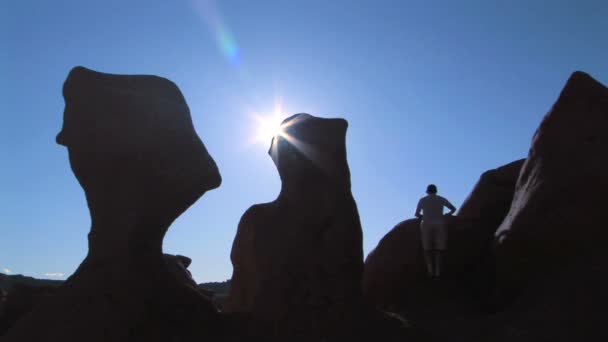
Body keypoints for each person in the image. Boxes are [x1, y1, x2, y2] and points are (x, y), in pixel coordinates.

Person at [415, 184, 456, 279]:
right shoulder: (441, 199)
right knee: (439, 249)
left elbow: (417, 214)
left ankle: (430, 270)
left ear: (427, 191)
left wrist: (424, 217)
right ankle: (437, 271)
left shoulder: (423, 200)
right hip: (440, 223)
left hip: (426, 224)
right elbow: (453, 209)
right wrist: (447, 215)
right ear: (436, 191)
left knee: (427, 249)